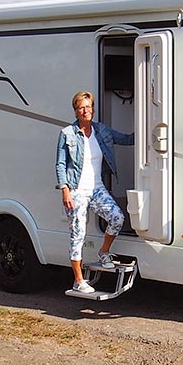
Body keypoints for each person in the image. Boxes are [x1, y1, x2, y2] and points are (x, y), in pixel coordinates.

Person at [55, 91, 133, 293]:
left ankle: (104, 251)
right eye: (81, 107)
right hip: (77, 190)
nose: (85, 111)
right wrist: (65, 191)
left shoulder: (102, 131)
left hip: (97, 189)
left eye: (88, 107)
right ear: (75, 111)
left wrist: (151, 129)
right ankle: (78, 280)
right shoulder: (67, 134)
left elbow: (126, 139)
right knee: (78, 234)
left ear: (93, 109)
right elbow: (60, 164)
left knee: (117, 218)